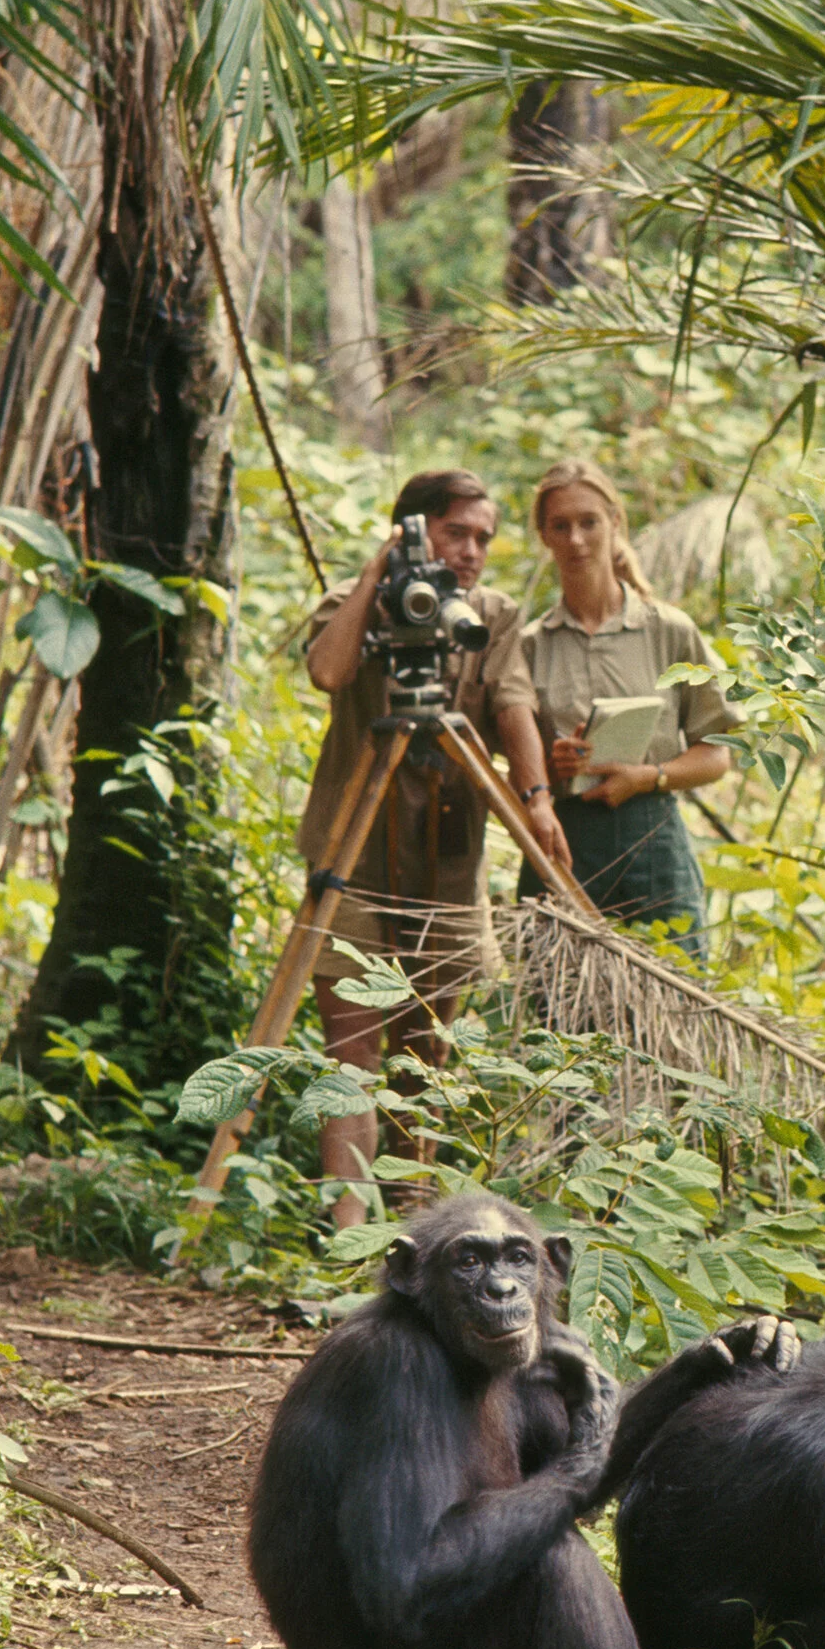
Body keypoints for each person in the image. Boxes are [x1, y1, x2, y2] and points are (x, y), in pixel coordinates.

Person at [300, 470, 571, 1224]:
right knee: (351, 1057)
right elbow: (328, 670)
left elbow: (512, 702)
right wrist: (375, 573)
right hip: (351, 859)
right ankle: (348, 1235)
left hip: (448, 864)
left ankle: (413, 1222)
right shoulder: (354, 606)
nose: (472, 551)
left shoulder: (491, 615)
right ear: (414, 531)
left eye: (483, 537)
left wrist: (535, 796)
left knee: (426, 1055)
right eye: (456, 533)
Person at [518, 460, 739, 959]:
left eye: (589, 522)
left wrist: (647, 777)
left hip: (653, 836)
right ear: (544, 537)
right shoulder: (531, 645)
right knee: (559, 1003)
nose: (576, 540)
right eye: (561, 526)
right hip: (565, 838)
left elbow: (718, 754)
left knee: (672, 990)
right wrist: (553, 765)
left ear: (615, 522)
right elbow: (514, 759)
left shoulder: (669, 631)